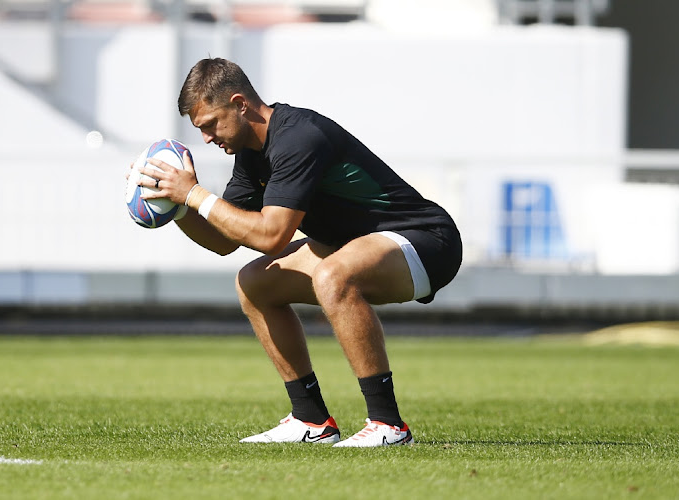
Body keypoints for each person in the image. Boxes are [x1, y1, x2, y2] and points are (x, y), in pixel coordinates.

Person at [137, 57, 462, 447]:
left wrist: (194, 193)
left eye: (210, 124)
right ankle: (311, 420)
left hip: (426, 239)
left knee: (334, 276)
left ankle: (389, 425)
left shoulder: (298, 136)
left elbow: (272, 235)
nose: (207, 137)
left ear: (240, 103)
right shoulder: (249, 152)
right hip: (355, 245)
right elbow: (226, 240)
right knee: (254, 283)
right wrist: (175, 207)